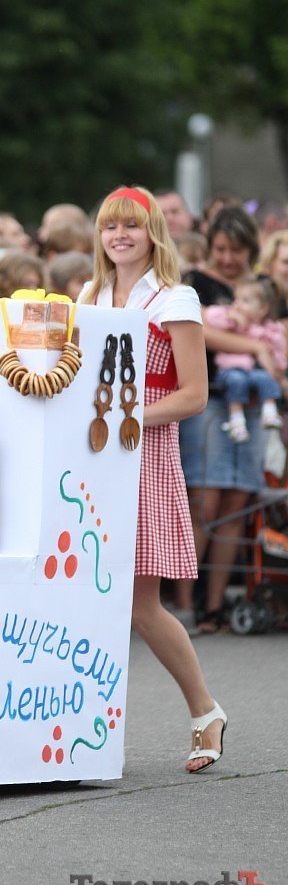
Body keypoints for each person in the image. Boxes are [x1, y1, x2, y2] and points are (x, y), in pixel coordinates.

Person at [79, 185, 226, 774]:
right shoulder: (88, 293)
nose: (119, 236)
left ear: (152, 233)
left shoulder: (176, 298)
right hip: (90, 450)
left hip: (143, 450)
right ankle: (74, 729)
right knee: (87, 596)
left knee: (141, 604)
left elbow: (194, 394)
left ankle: (204, 710)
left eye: (131, 226)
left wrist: (129, 415)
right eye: (110, 226)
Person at [177, 206, 269, 628]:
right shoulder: (196, 282)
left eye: (237, 250)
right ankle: (182, 603)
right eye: (221, 249)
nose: (228, 259)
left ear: (251, 248)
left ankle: (213, 605)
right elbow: (199, 331)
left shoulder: (261, 286)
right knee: (204, 500)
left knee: (237, 501)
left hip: (252, 403)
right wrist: (253, 347)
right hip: (208, 398)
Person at [204, 279, 286, 442]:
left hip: (253, 372)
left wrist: (278, 366)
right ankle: (237, 421)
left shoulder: (268, 329)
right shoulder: (232, 321)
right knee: (237, 380)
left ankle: (269, 412)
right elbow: (209, 316)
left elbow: (277, 351)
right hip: (230, 369)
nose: (238, 305)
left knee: (264, 378)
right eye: (236, 300)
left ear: (263, 309)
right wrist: (230, 315)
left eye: (245, 301)